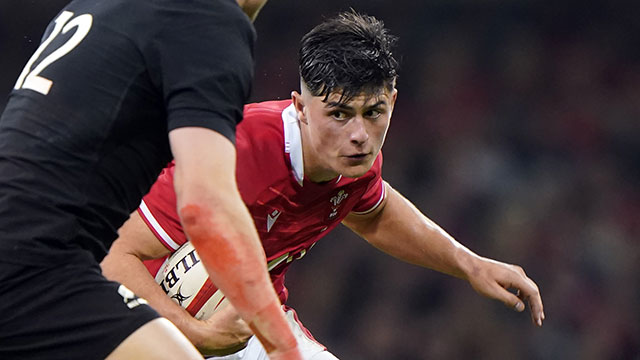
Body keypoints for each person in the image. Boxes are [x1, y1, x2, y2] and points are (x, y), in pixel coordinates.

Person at [101, 11, 545, 359]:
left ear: (392, 100)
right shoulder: (233, 151)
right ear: (300, 107)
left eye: (374, 112)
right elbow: (113, 256)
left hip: (246, 329)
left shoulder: (353, 160)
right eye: (338, 113)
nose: (359, 134)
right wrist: (195, 334)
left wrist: (470, 265)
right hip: (143, 321)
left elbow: (375, 214)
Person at [0, 0, 303, 359]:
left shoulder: (99, 4)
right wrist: (282, 346)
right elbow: (206, 206)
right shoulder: (207, 22)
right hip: (37, 262)